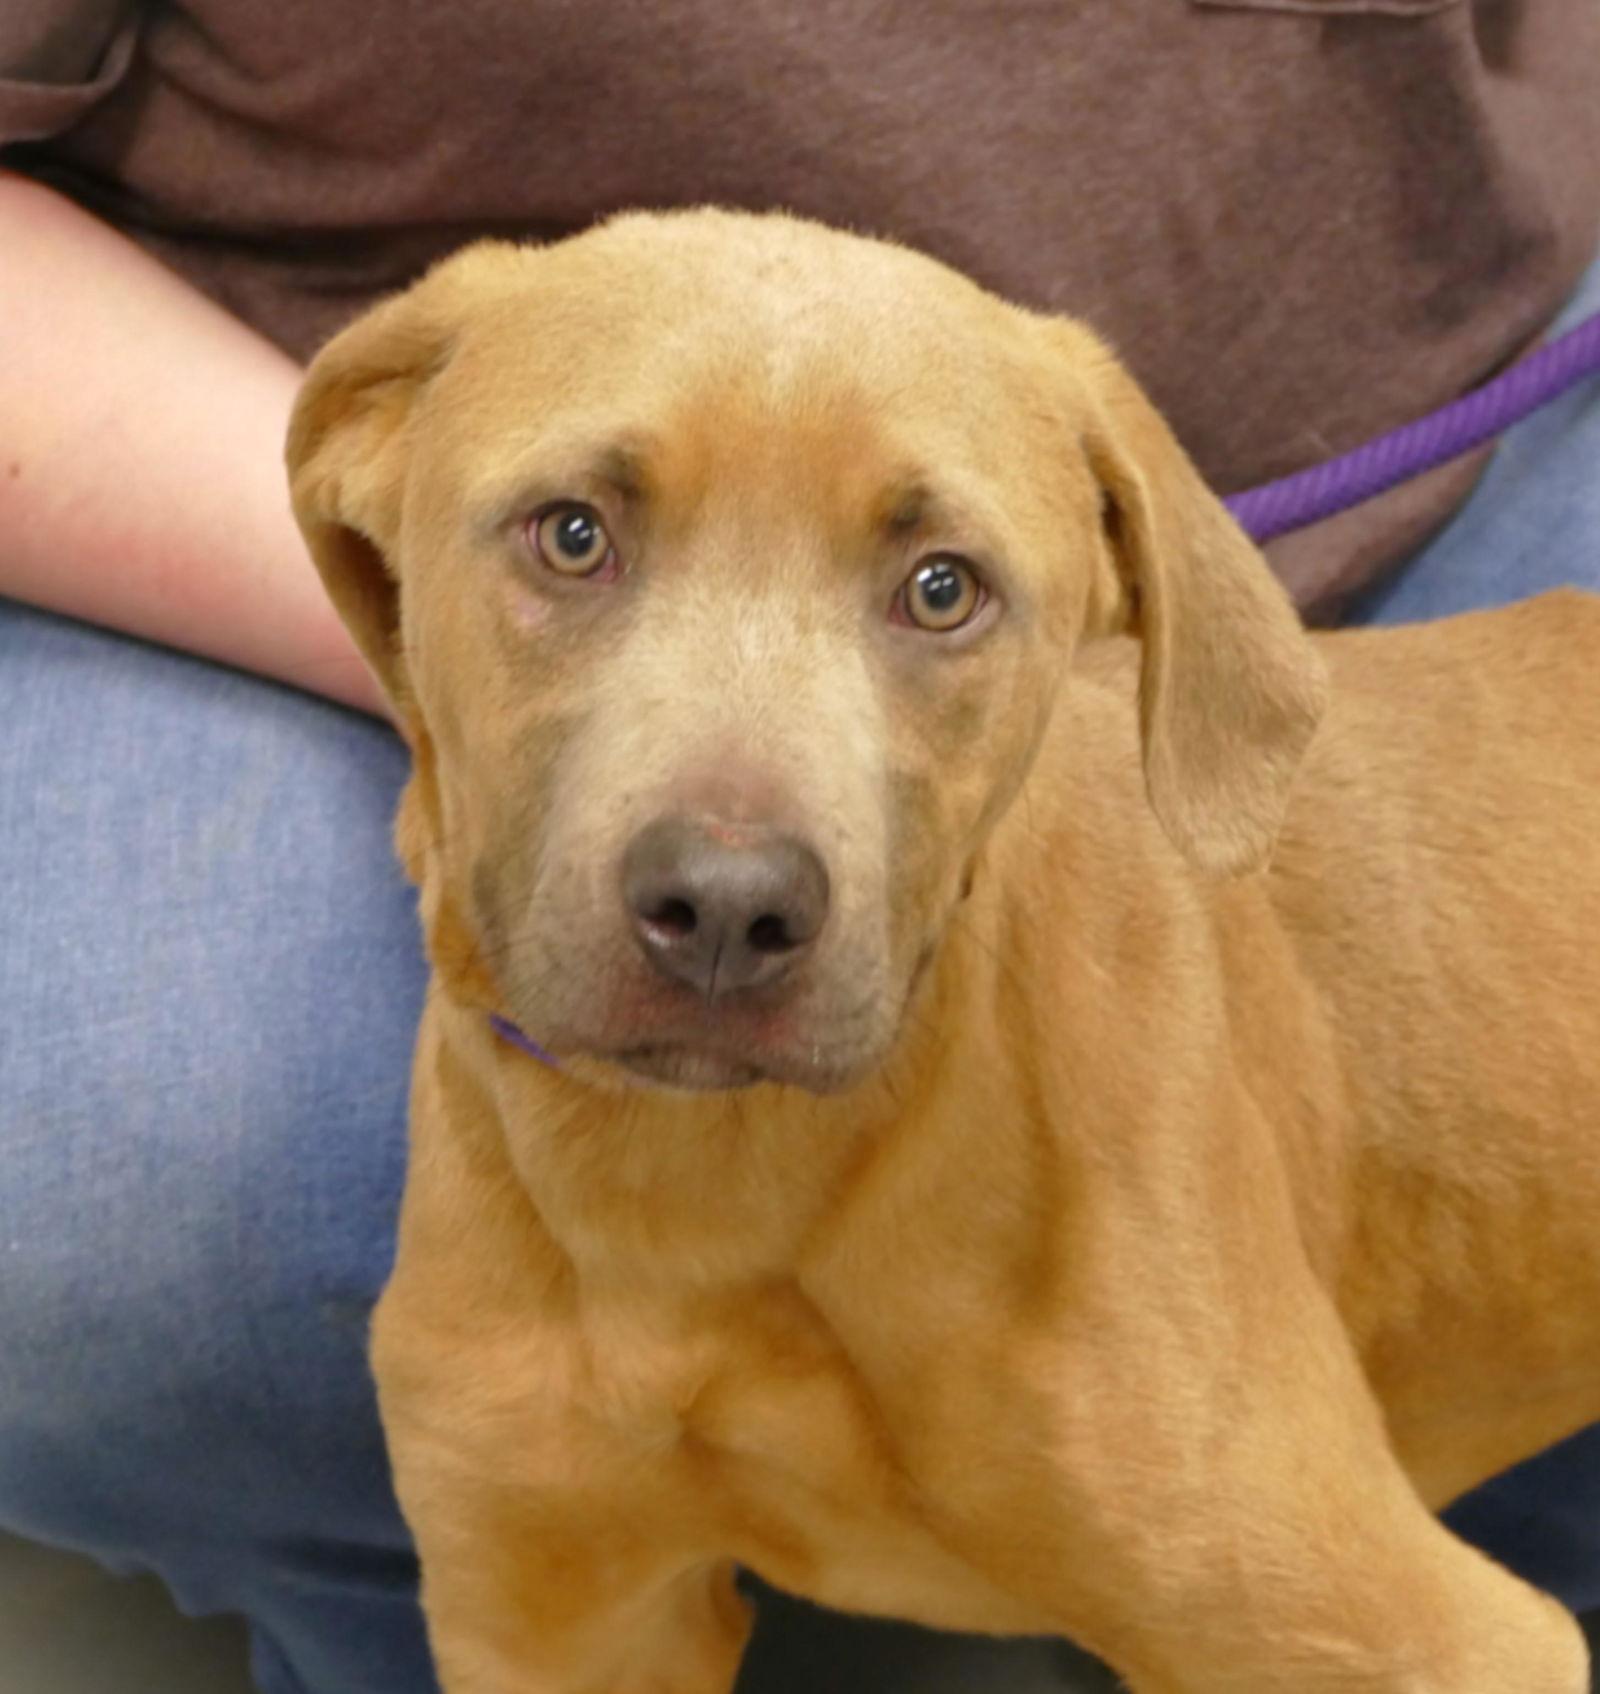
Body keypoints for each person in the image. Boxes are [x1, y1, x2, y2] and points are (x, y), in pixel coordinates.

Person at [2, 5, 1597, 1691]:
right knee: (106, 1178)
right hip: (173, 375)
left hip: (1488, 345)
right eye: (575, 535)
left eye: (937, 590)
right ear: (366, 489)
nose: (731, 882)